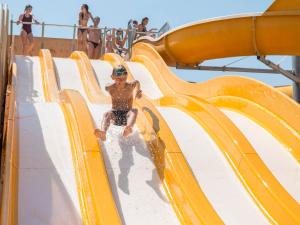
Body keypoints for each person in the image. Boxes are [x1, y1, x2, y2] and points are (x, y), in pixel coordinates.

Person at [94, 65, 142, 141]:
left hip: (127, 116)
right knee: (107, 114)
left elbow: (137, 82)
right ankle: (103, 132)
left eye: (123, 79)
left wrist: (139, 91)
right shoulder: (110, 88)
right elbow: (106, 86)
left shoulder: (130, 86)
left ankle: (128, 128)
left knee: (134, 110)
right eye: (118, 79)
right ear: (113, 78)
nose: (121, 81)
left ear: (126, 77)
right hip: (115, 115)